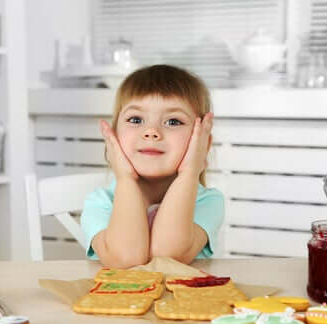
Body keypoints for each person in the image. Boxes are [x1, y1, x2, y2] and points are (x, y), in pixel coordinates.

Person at [80, 64, 224, 268]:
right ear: (114, 136)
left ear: (201, 143)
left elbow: (166, 258)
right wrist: (125, 179)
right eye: (136, 119)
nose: (151, 132)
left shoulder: (208, 202)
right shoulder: (100, 203)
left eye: (173, 122)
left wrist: (190, 173)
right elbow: (125, 260)